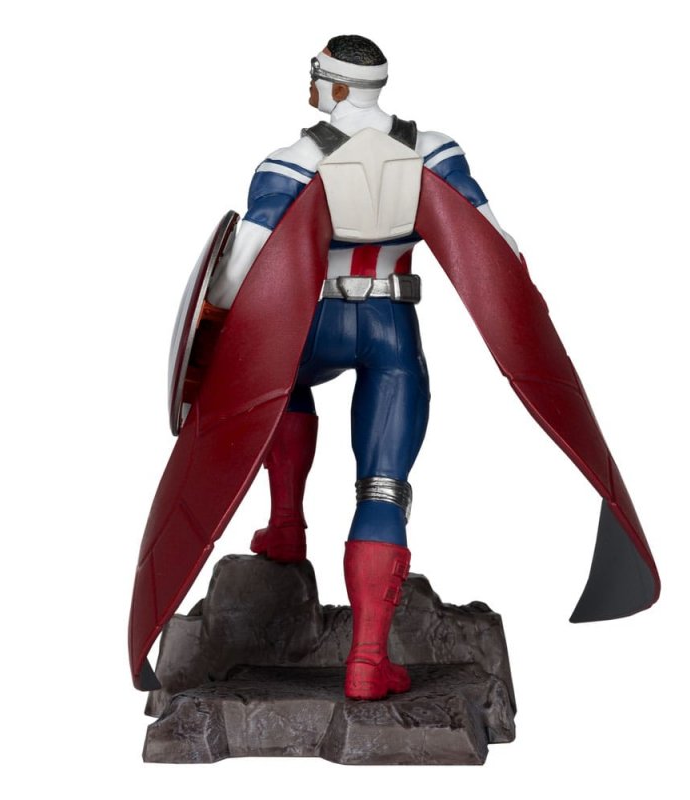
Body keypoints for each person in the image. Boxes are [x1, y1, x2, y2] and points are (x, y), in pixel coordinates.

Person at [205, 35, 519, 700]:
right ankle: (368, 661)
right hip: (392, 329)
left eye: (316, 78)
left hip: (313, 323)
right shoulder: (434, 152)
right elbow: (498, 248)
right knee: (382, 488)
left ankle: (286, 524)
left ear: (337, 86)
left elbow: (234, 273)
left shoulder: (292, 161)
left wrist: (214, 342)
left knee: (282, 383)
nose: (310, 89)